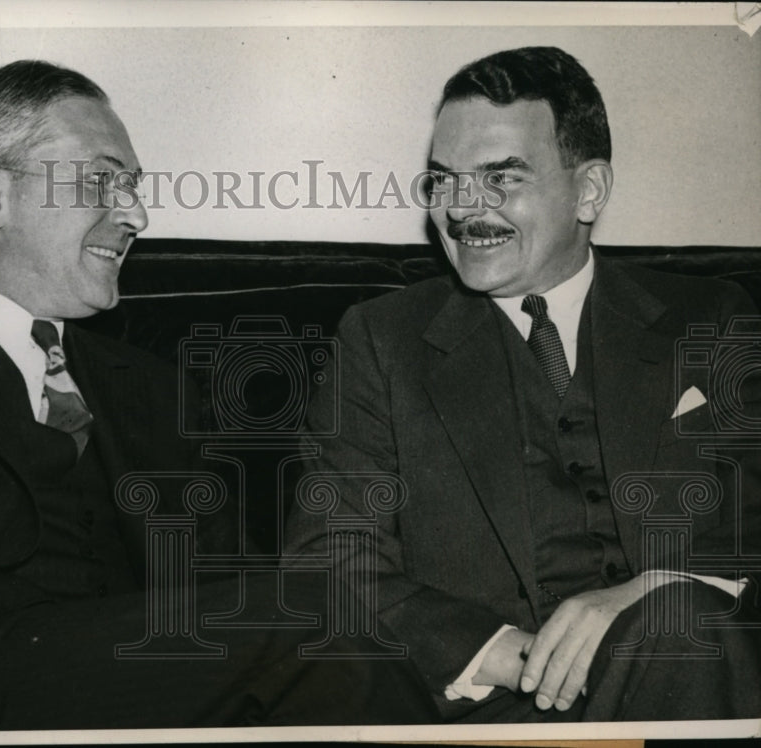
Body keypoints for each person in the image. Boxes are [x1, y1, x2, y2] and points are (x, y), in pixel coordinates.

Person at [0, 60, 433, 730]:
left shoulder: (152, 389)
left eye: (132, 188)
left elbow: (234, 597)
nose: (136, 214)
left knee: (313, 615)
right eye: (102, 180)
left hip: (112, 684)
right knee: (316, 620)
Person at [284, 46, 761, 723]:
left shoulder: (712, 318)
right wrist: (518, 655)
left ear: (589, 190)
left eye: (500, 178)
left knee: (680, 628)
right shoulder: (381, 340)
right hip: (498, 707)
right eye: (443, 181)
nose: (461, 211)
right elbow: (327, 562)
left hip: (701, 674)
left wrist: (661, 589)